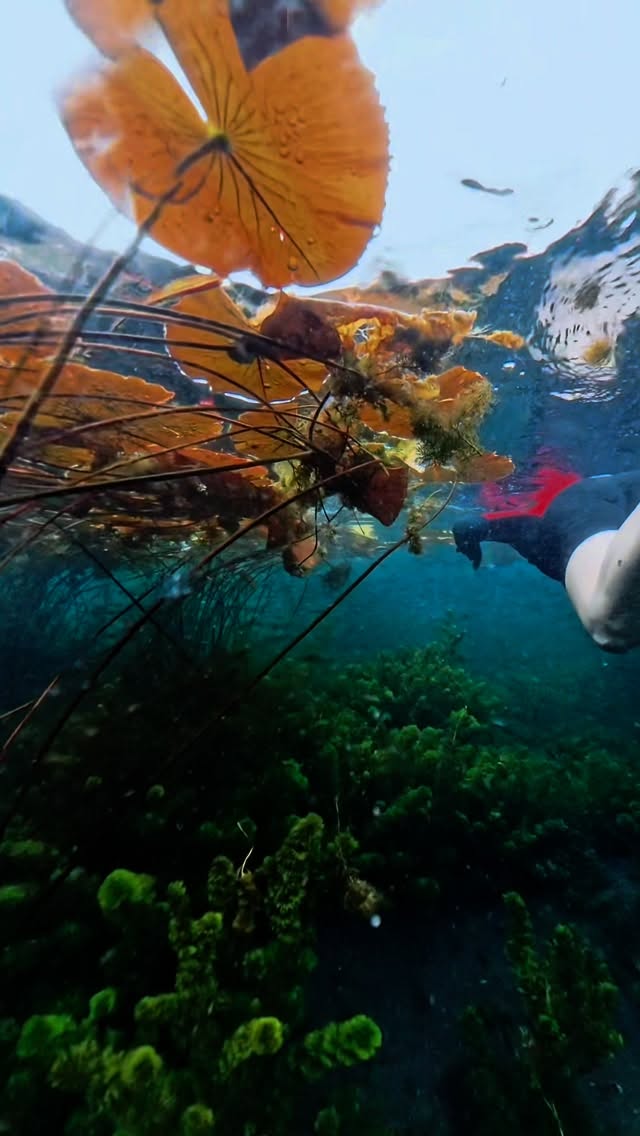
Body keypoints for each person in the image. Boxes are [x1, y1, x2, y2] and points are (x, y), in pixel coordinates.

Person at [452, 466, 640, 653]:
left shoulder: (529, 521)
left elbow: (467, 525)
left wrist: (470, 544)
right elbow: (467, 527)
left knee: (609, 625)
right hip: (615, 482)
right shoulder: (527, 515)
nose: (492, 565)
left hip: (576, 507)